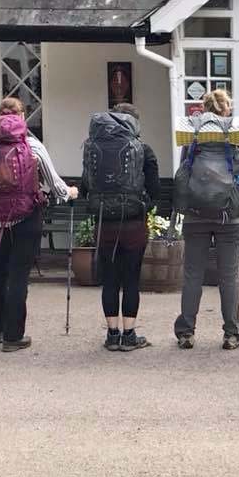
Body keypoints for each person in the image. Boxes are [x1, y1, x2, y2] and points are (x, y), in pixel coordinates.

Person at [0, 97, 78, 352]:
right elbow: (55, 185)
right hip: (25, 217)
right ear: (21, 117)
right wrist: (70, 193)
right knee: (18, 274)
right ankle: (13, 336)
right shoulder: (31, 145)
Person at [174, 89, 239, 351]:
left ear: (206, 108)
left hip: (195, 214)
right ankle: (232, 333)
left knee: (192, 275)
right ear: (226, 108)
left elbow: (184, 171)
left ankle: (186, 332)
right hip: (228, 216)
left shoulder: (193, 135)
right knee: (229, 276)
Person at [81, 103, 162, 352]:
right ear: (135, 123)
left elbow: (86, 186)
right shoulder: (143, 150)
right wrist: (145, 205)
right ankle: (129, 334)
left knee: (110, 280)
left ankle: (111, 334)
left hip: (105, 222)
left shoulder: (93, 147)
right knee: (131, 279)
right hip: (133, 222)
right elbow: (156, 190)